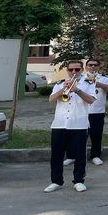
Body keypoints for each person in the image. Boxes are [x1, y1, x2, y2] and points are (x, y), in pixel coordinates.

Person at [45, 60, 97, 193]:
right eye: (71, 69)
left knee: (80, 154)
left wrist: (77, 90)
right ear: (67, 70)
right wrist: (64, 88)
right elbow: (51, 100)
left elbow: (91, 100)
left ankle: (78, 180)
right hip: (59, 124)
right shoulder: (59, 84)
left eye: (77, 70)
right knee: (56, 155)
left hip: (78, 124)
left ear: (82, 70)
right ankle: (56, 181)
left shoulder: (88, 84)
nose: (74, 72)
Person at [86, 59, 108, 166]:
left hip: (97, 112)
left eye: (95, 65)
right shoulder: (80, 78)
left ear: (98, 67)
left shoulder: (104, 78)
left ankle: (95, 155)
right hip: (81, 111)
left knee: (96, 135)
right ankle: (72, 156)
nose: (92, 67)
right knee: (77, 135)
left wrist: (100, 84)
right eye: (90, 65)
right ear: (86, 66)